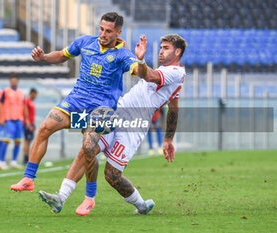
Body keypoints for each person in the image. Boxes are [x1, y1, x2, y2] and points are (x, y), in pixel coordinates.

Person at [38, 34, 187, 216]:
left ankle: (141, 205)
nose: (161, 51)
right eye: (161, 47)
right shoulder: (171, 75)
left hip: (133, 126)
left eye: (166, 48)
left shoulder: (175, 73)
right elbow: (173, 108)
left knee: (112, 175)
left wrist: (139, 59)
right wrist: (169, 139)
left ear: (177, 52)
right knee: (88, 148)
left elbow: (149, 77)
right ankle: (60, 197)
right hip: (117, 112)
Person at [10, 12, 139, 193]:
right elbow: (62, 55)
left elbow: (139, 71)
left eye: (108, 31)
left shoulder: (123, 55)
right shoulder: (85, 42)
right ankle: (28, 178)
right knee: (45, 127)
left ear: (118, 32)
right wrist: (43, 57)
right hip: (76, 103)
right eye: (101, 29)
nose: (103, 34)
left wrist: (139, 59)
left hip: (100, 111)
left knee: (87, 149)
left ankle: (90, 195)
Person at [0, 76, 29, 169]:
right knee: (6, 141)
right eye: (12, 80)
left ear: (17, 81)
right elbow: (0, 104)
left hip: (19, 120)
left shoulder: (21, 92)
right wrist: (1, 118)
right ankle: (1, 161)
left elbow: (24, 106)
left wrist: (26, 119)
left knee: (18, 141)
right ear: (10, 81)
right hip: (9, 119)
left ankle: (14, 161)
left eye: (15, 80)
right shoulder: (6, 91)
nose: (14, 82)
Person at [23, 88, 38, 164]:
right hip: (28, 124)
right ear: (32, 93)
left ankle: (27, 157)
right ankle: (25, 157)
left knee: (29, 141)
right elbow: (25, 112)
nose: (35, 96)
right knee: (27, 141)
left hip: (31, 123)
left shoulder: (32, 102)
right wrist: (28, 124)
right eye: (35, 94)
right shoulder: (27, 101)